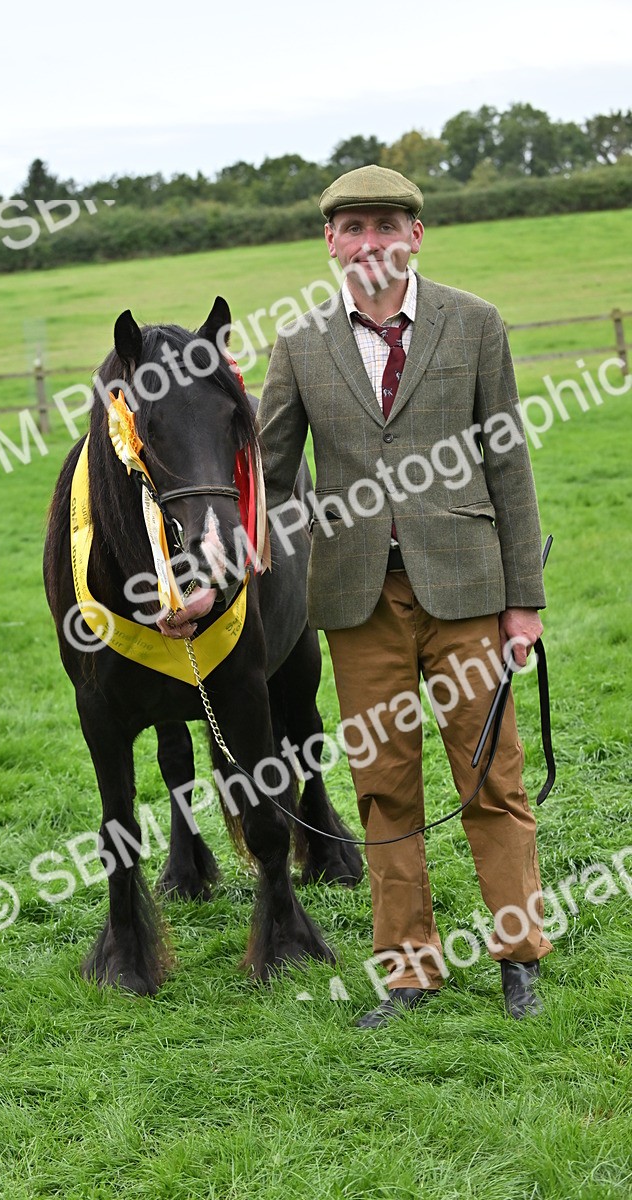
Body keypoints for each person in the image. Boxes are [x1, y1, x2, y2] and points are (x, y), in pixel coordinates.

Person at [256, 164, 552, 1028]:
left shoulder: (474, 324)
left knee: (492, 775)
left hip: (468, 590)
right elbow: (272, 478)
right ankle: (410, 970)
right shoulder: (300, 345)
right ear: (330, 243)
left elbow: (510, 464)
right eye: (354, 228)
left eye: (387, 225)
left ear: (416, 236)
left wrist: (523, 601)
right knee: (383, 785)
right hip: (355, 602)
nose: (371, 243)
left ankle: (519, 954)